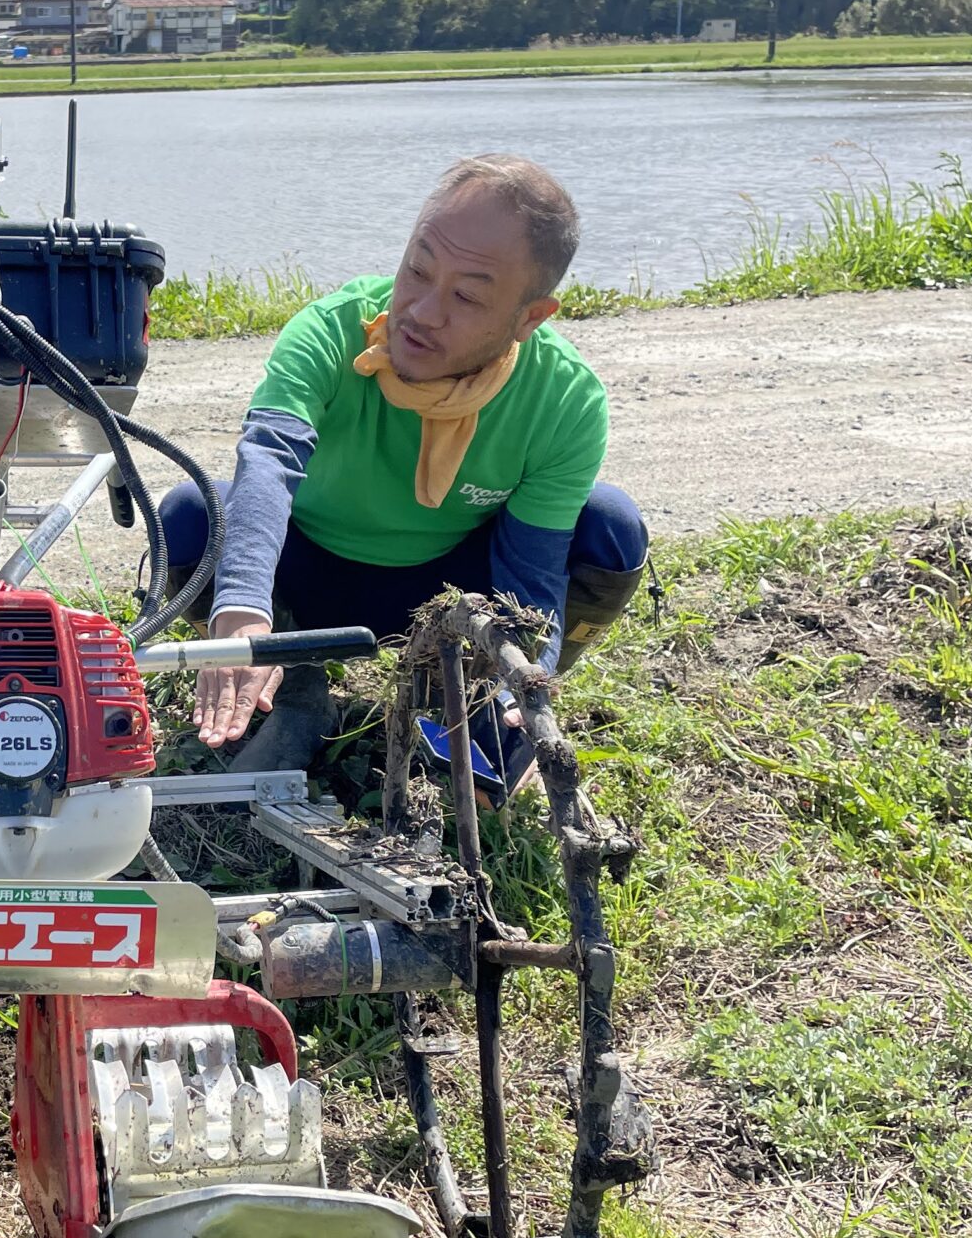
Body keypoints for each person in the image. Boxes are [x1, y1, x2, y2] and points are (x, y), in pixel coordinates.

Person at [167, 154, 649, 778]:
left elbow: (532, 566)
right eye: (417, 270)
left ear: (529, 317)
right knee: (187, 517)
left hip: (449, 590)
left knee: (609, 528)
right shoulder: (330, 331)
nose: (421, 312)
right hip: (309, 574)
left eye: (468, 296)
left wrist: (525, 675)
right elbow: (268, 461)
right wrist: (241, 610)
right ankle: (293, 692)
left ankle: (468, 701)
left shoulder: (563, 397)